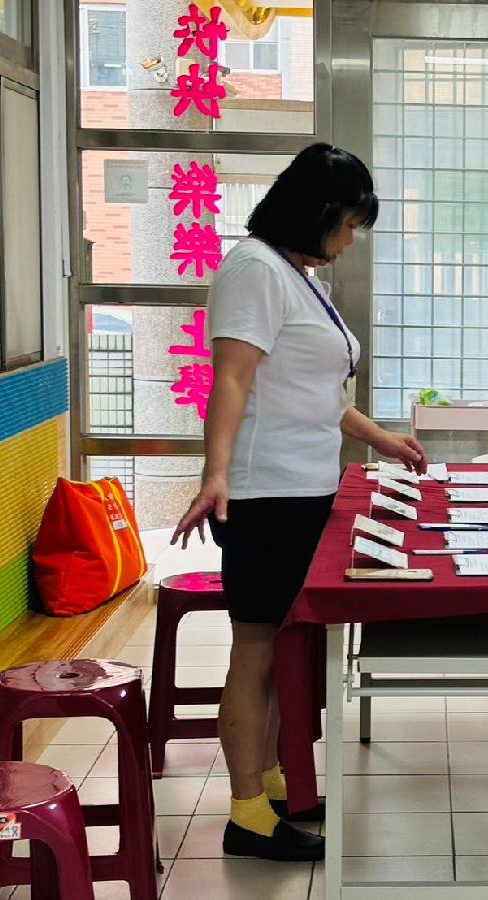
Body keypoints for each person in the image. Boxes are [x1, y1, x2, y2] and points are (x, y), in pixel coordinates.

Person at [170, 144, 428, 862]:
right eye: (346, 226)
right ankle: (247, 812)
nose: (348, 243)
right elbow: (233, 380)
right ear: (316, 213)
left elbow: (320, 399)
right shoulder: (254, 269)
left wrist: (383, 440)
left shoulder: (293, 274)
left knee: (283, 643)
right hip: (265, 495)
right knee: (256, 650)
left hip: (306, 488)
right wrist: (215, 472)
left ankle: (274, 780)